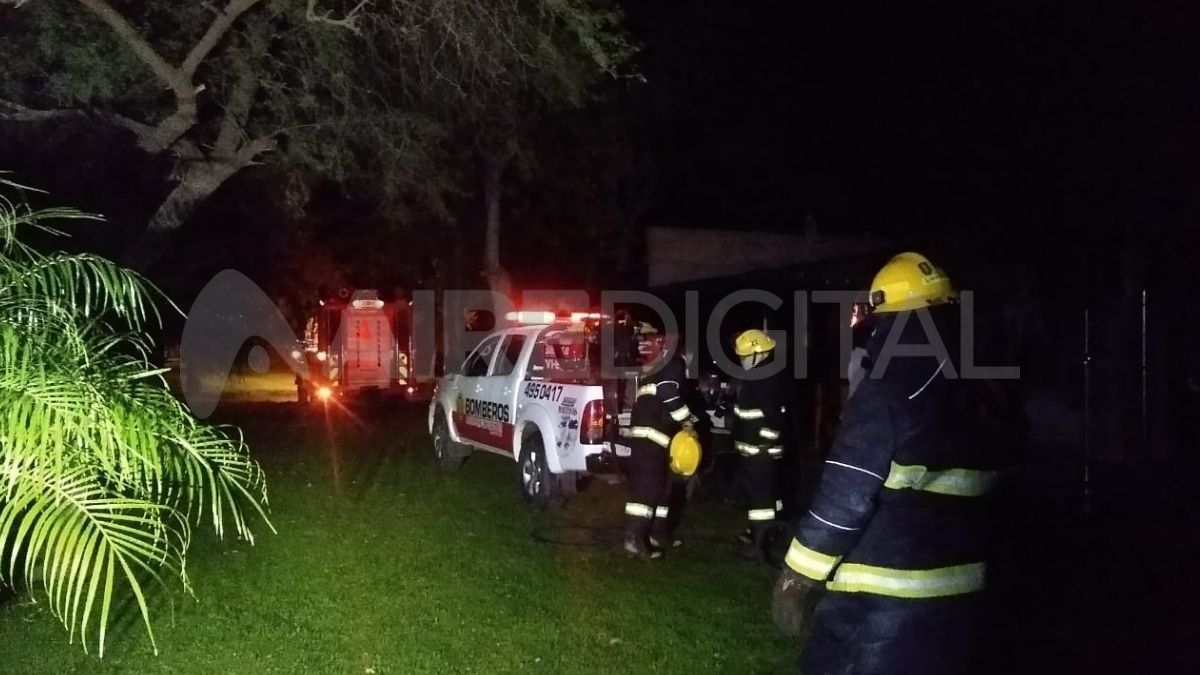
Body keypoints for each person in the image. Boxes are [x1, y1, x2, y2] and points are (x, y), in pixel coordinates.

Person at [772, 252, 1001, 674]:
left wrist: (797, 576)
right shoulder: (979, 393)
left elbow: (845, 496)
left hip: (878, 611)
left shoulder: (886, 395)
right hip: (961, 602)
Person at [623, 346, 695, 559]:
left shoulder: (659, 366)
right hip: (651, 436)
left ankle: (657, 534)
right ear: (687, 354)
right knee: (647, 489)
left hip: (654, 436)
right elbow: (668, 393)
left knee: (663, 487)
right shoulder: (675, 363)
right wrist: (686, 420)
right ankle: (634, 539)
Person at [731, 328, 790, 559]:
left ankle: (759, 545)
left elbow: (774, 414)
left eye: (745, 356)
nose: (742, 360)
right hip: (754, 449)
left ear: (758, 353)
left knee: (761, 501)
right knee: (762, 496)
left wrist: (765, 442)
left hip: (761, 450)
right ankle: (763, 534)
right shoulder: (761, 375)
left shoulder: (766, 377)